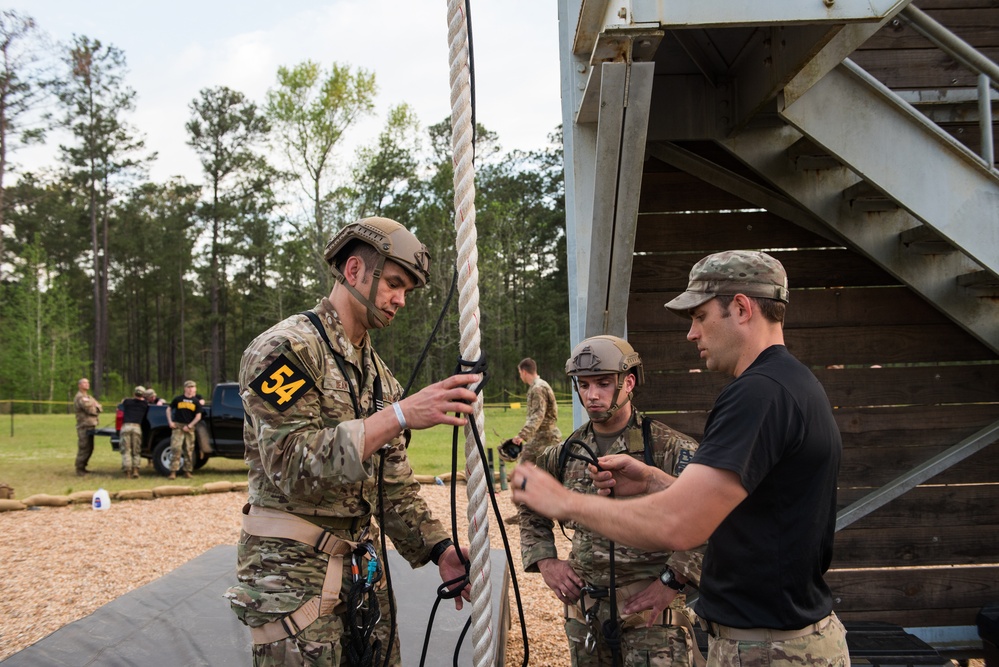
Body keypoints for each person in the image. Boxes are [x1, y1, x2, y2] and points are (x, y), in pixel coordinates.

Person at [511, 251, 849, 666]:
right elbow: (742, 514)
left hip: (769, 649)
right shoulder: (790, 383)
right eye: (583, 384)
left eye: (699, 316)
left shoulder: (757, 394)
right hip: (776, 641)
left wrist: (565, 502)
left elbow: (682, 523)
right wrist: (656, 483)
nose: (691, 333)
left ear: (741, 308)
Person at [225, 217, 480, 667]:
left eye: (408, 291)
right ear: (355, 270)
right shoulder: (288, 351)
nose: (401, 300)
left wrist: (439, 549)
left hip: (363, 573)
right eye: (395, 284)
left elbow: (393, 487)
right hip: (292, 580)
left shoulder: (379, 377)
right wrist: (399, 416)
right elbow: (290, 464)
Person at [519, 335, 703, 667]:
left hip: (651, 622)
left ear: (628, 382)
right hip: (586, 618)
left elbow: (708, 517)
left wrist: (674, 580)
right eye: (584, 384)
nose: (592, 395)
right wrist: (545, 561)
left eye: (604, 384)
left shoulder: (668, 448)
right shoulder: (565, 453)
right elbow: (529, 502)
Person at [509, 357, 561, 464]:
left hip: (545, 438)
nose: (520, 376)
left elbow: (538, 415)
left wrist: (522, 435)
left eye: (519, 372)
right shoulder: (540, 385)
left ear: (524, 372)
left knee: (524, 470)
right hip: (541, 436)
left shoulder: (538, 388)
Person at [166, 380, 202, 480]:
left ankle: (187, 471)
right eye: (188, 387)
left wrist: (190, 426)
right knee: (176, 449)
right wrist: (170, 421)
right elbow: (168, 409)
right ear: (185, 388)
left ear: (195, 389)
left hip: (189, 428)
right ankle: (173, 472)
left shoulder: (196, 402)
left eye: (192, 387)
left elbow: (198, 416)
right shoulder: (178, 399)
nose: (190, 389)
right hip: (178, 427)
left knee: (189, 450)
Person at [73, 377, 102, 476]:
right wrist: (95, 407)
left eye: (88, 383)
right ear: (80, 385)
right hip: (84, 425)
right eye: (85, 383)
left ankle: (84, 467)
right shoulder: (80, 397)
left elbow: (99, 407)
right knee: (84, 447)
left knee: (90, 447)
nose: (87, 384)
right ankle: (79, 468)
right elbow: (90, 410)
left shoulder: (89, 397)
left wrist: (95, 407)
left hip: (91, 425)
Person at [120, 386, 149, 478]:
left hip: (126, 426)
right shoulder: (144, 404)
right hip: (136, 427)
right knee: (136, 450)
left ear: (134, 393)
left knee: (126, 450)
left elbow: (122, 402)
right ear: (143, 395)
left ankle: (127, 471)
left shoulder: (127, 402)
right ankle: (136, 470)